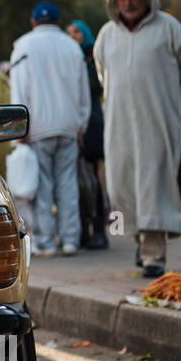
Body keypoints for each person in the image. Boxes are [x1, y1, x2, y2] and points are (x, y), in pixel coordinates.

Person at [93, 0, 181, 277]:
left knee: (153, 184)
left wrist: (174, 105)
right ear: (115, 1)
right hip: (120, 123)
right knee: (122, 183)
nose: (128, 3)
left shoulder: (169, 29)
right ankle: (141, 243)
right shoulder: (106, 35)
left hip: (157, 122)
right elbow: (103, 74)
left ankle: (155, 255)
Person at [10, 1, 91, 257]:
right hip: (68, 125)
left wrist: (19, 128)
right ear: (58, 21)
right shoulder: (72, 47)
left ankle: (45, 242)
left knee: (42, 187)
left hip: (38, 126)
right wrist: (81, 126)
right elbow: (83, 93)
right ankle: (70, 240)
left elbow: (19, 90)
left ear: (33, 21)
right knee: (68, 184)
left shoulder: (23, 45)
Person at [66, 19, 109, 249]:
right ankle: (82, 228)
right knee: (75, 180)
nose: (73, 35)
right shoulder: (69, 58)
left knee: (92, 179)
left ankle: (99, 229)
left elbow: (100, 85)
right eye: (69, 32)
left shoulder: (92, 58)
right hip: (74, 122)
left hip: (91, 123)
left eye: (77, 32)